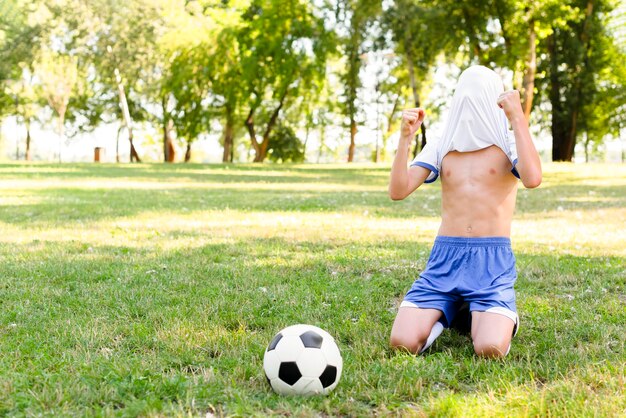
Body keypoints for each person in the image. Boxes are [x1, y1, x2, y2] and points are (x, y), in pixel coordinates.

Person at [388, 65, 542, 358]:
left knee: (489, 348)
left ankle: (489, 315)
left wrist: (517, 119)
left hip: (491, 263)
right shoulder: (442, 144)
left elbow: (533, 178)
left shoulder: (508, 142)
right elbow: (398, 191)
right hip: (445, 259)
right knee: (402, 344)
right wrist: (405, 140)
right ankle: (451, 312)